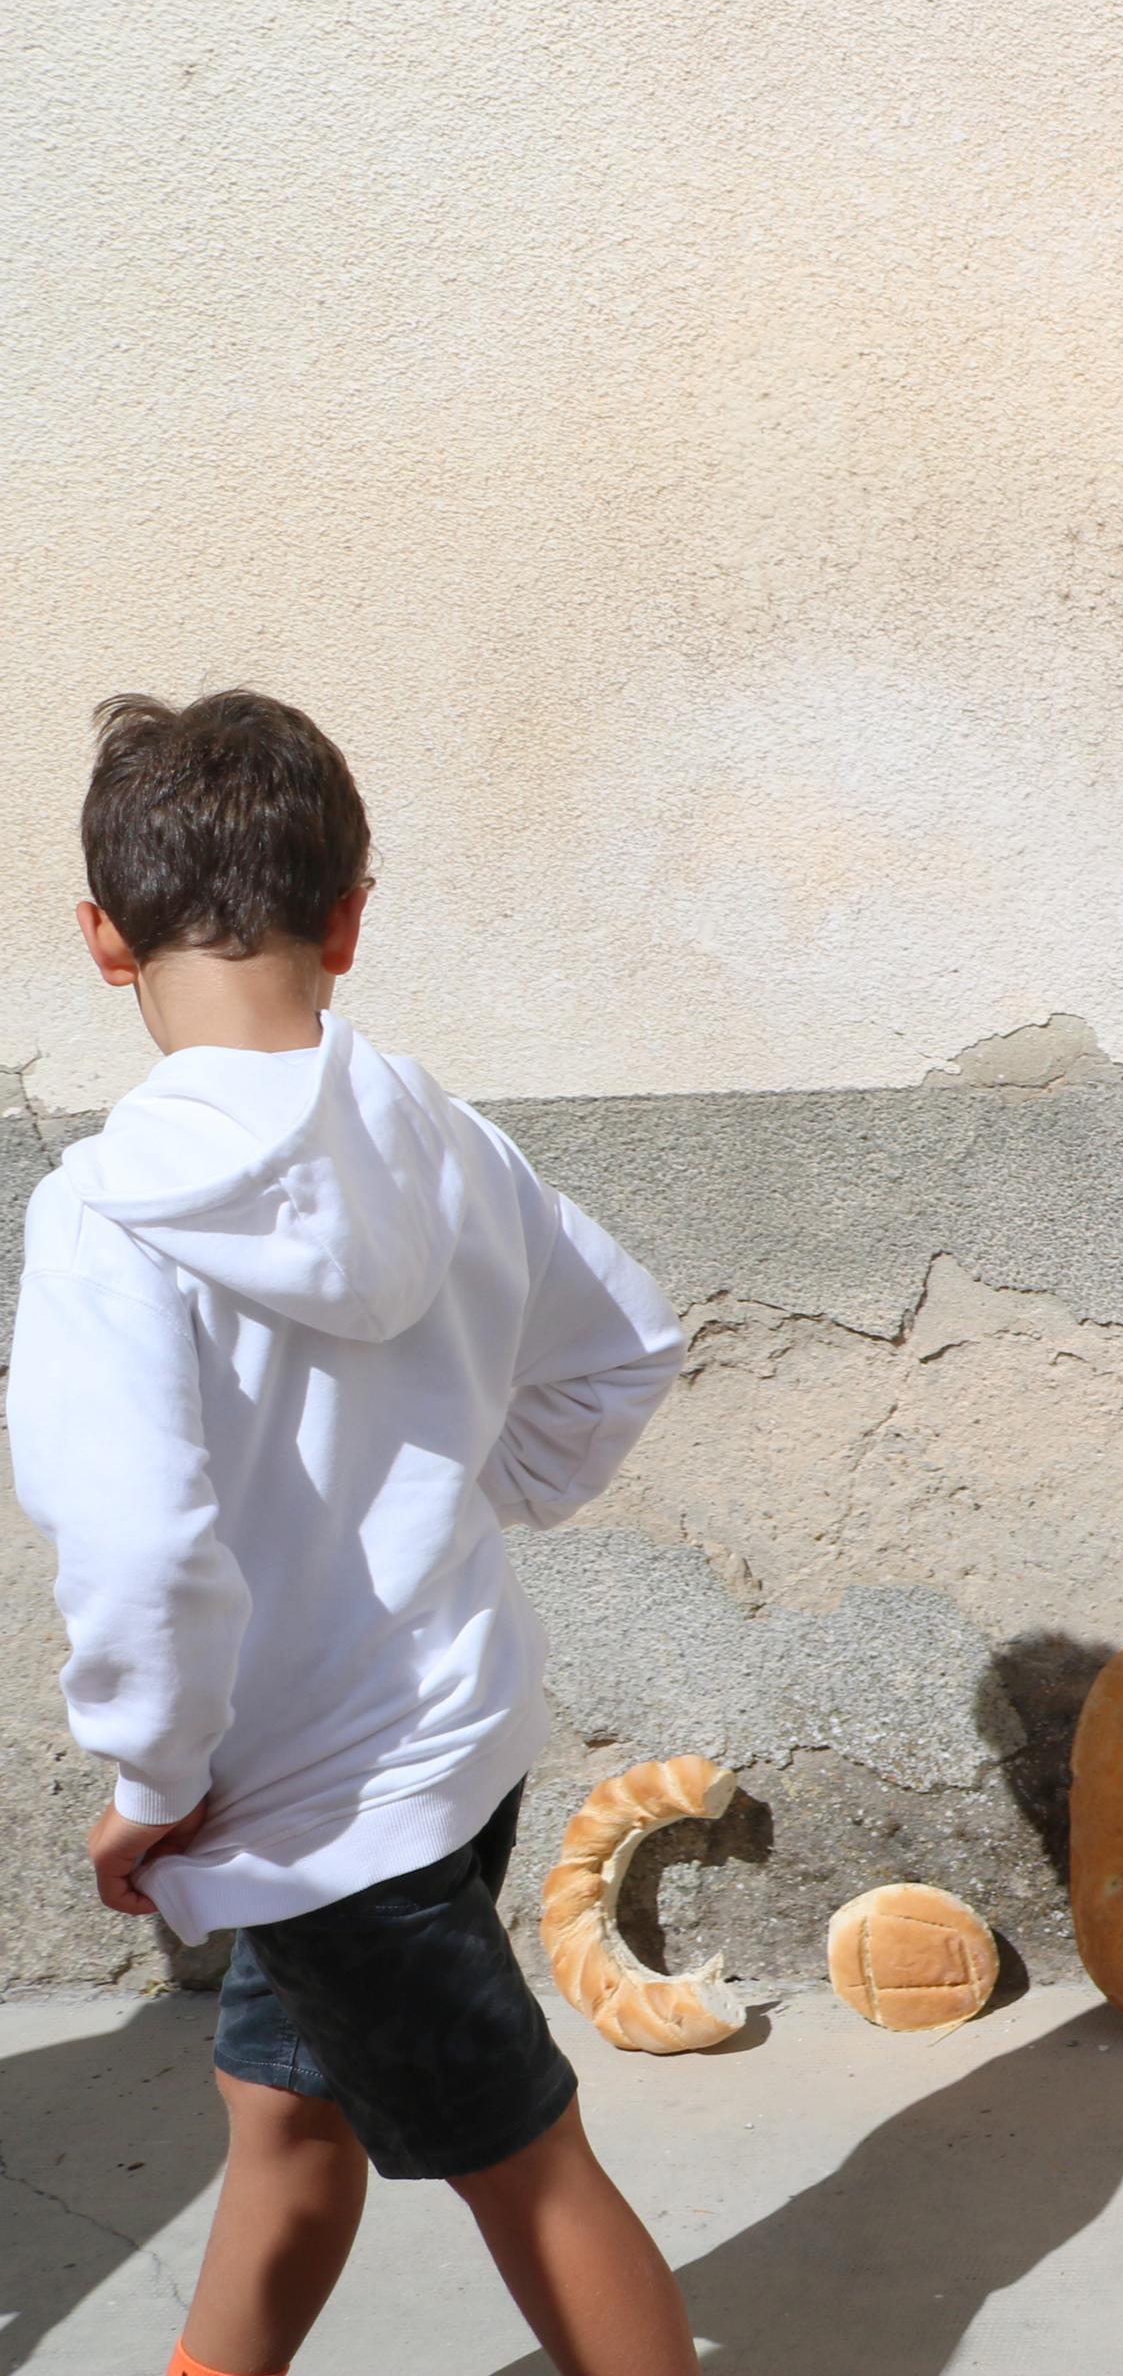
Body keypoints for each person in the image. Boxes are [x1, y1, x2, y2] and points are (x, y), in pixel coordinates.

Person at [9, 691, 698, 2376]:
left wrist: (152, 1784)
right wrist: (484, 1490)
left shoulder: (103, 1217)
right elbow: (623, 1348)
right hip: (448, 1749)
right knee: (281, 2114)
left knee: (528, 2173)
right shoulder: (446, 1137)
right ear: (350, 917)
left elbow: (142, 1551)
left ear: (103, 940)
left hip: (308, 1814)